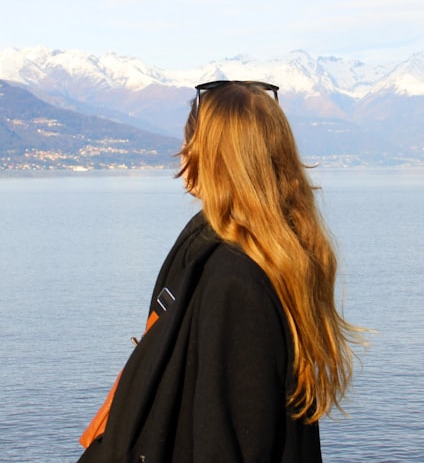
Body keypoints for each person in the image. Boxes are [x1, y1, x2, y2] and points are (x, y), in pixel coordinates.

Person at [77, 80, 360, 463]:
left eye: (189, 143)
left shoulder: (234, 283)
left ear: (212, 158)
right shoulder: (267, 257)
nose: (180, 155)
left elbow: (226, 442)